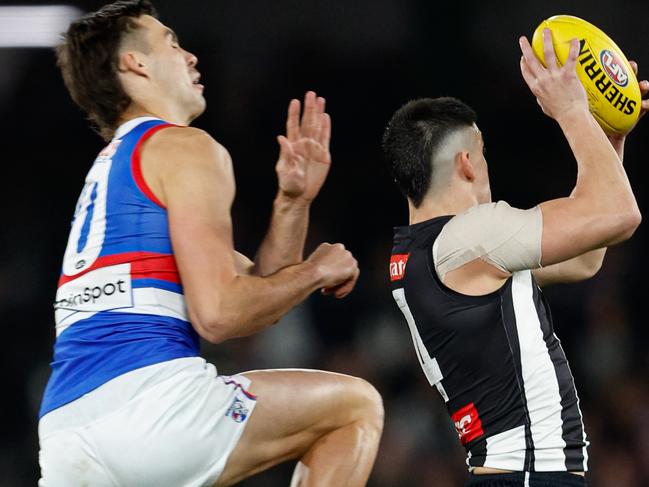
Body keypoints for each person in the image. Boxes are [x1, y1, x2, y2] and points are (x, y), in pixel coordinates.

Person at [38, 1, 384, 486]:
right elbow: (222, 314)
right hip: (151, 408)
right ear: (134, 64)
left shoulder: (112, 171)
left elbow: (258, 297)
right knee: (354, 406)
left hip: (64, 433)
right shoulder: (185, 146)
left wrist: (292, 203)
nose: (191, 56)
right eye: (172, 44)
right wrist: (316, 271)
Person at [382, 29, 647, 487]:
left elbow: (586, 257)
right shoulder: (472, 237)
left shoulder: (436, 252)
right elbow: (620, 213)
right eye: (484, 155)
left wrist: (606, 138)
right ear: (466, 163)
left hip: (516, 475)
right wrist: (570, 111)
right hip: (527, 476)